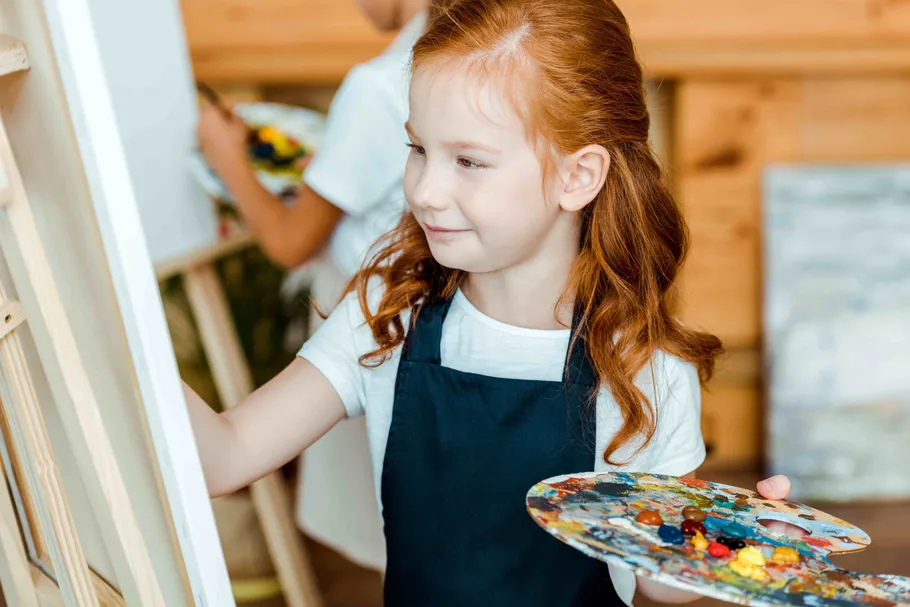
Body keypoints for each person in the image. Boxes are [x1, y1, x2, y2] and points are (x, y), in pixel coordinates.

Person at [185, 0, 792, 603]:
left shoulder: (642, 361)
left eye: (468, 161)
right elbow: (227, 457)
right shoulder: (386, 314)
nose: (425, 190)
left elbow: (662, 586)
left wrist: (739, 546)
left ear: (577, 177)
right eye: (418, 149)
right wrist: (113, 329)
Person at [195, 0, 429, 572]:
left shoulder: (380, 86)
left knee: (402, 537)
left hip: (383, 334)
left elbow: (290, 242)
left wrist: (226, 158)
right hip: (389, 336)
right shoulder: (462, 60)